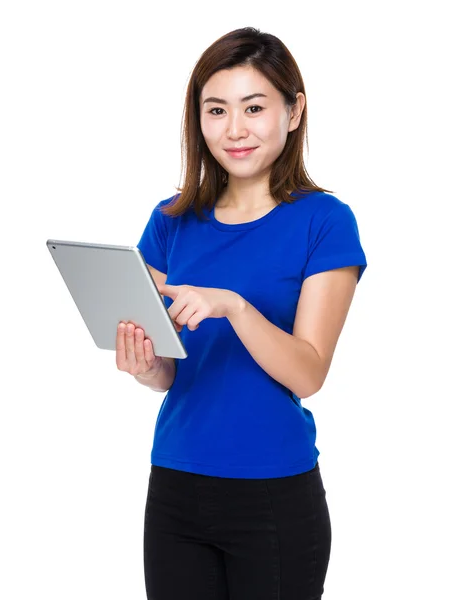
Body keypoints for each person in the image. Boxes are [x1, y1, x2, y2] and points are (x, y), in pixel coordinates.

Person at [116, 27, 367, 600]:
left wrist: (233, 306)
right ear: (197, 119)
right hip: (176, 484)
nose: (234, 129)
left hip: (273, 494)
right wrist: (146, 366)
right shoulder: (171, 219)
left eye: (254, 107)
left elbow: (309, 373)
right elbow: (170, 372)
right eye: (216, 110)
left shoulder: (324, 222)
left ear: (294, 109)